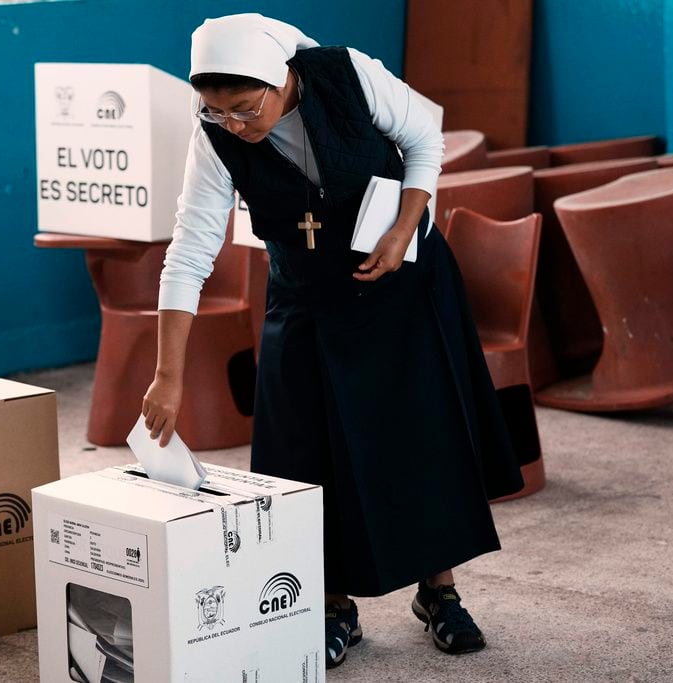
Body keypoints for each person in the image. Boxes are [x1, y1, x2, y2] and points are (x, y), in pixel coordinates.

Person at [141, 13, 523, 669]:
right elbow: (190, 251)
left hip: (402, 282)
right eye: (217, 111)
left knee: (418, 434)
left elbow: (425, 134)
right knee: (305, 452)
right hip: (307, 296)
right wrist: (167, 374)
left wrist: (405, 226)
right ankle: (331, 605)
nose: (234, 123)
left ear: (279, 78)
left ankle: (439, 592)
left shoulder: (347, 75)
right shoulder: (216, 133)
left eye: (244, 107)